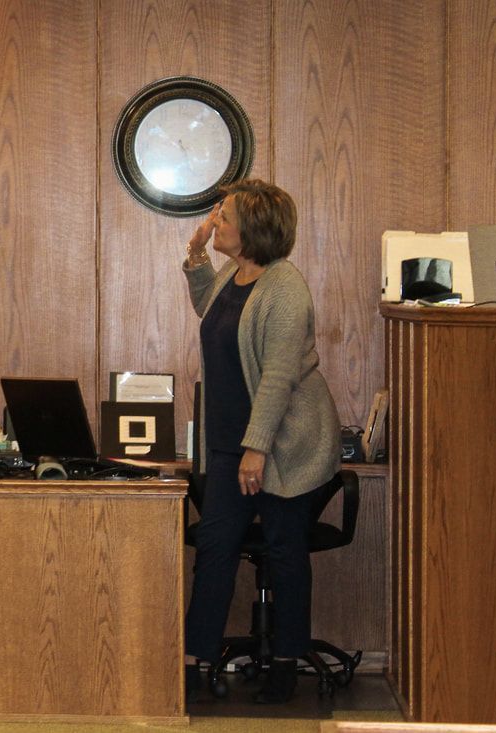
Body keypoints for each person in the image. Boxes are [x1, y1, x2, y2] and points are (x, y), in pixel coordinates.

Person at [181, 179, 340, 704]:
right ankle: (195, 658)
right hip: (232, 441)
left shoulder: (286, 287)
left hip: (285, 444)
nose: (216, 221)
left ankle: (285, 665)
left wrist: (259, 447)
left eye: (223, 216)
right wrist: (196, 252)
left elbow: (277, 377)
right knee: (214, 547)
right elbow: (209, 308)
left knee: (284, 551)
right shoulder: (234, 273)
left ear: (253, 228)